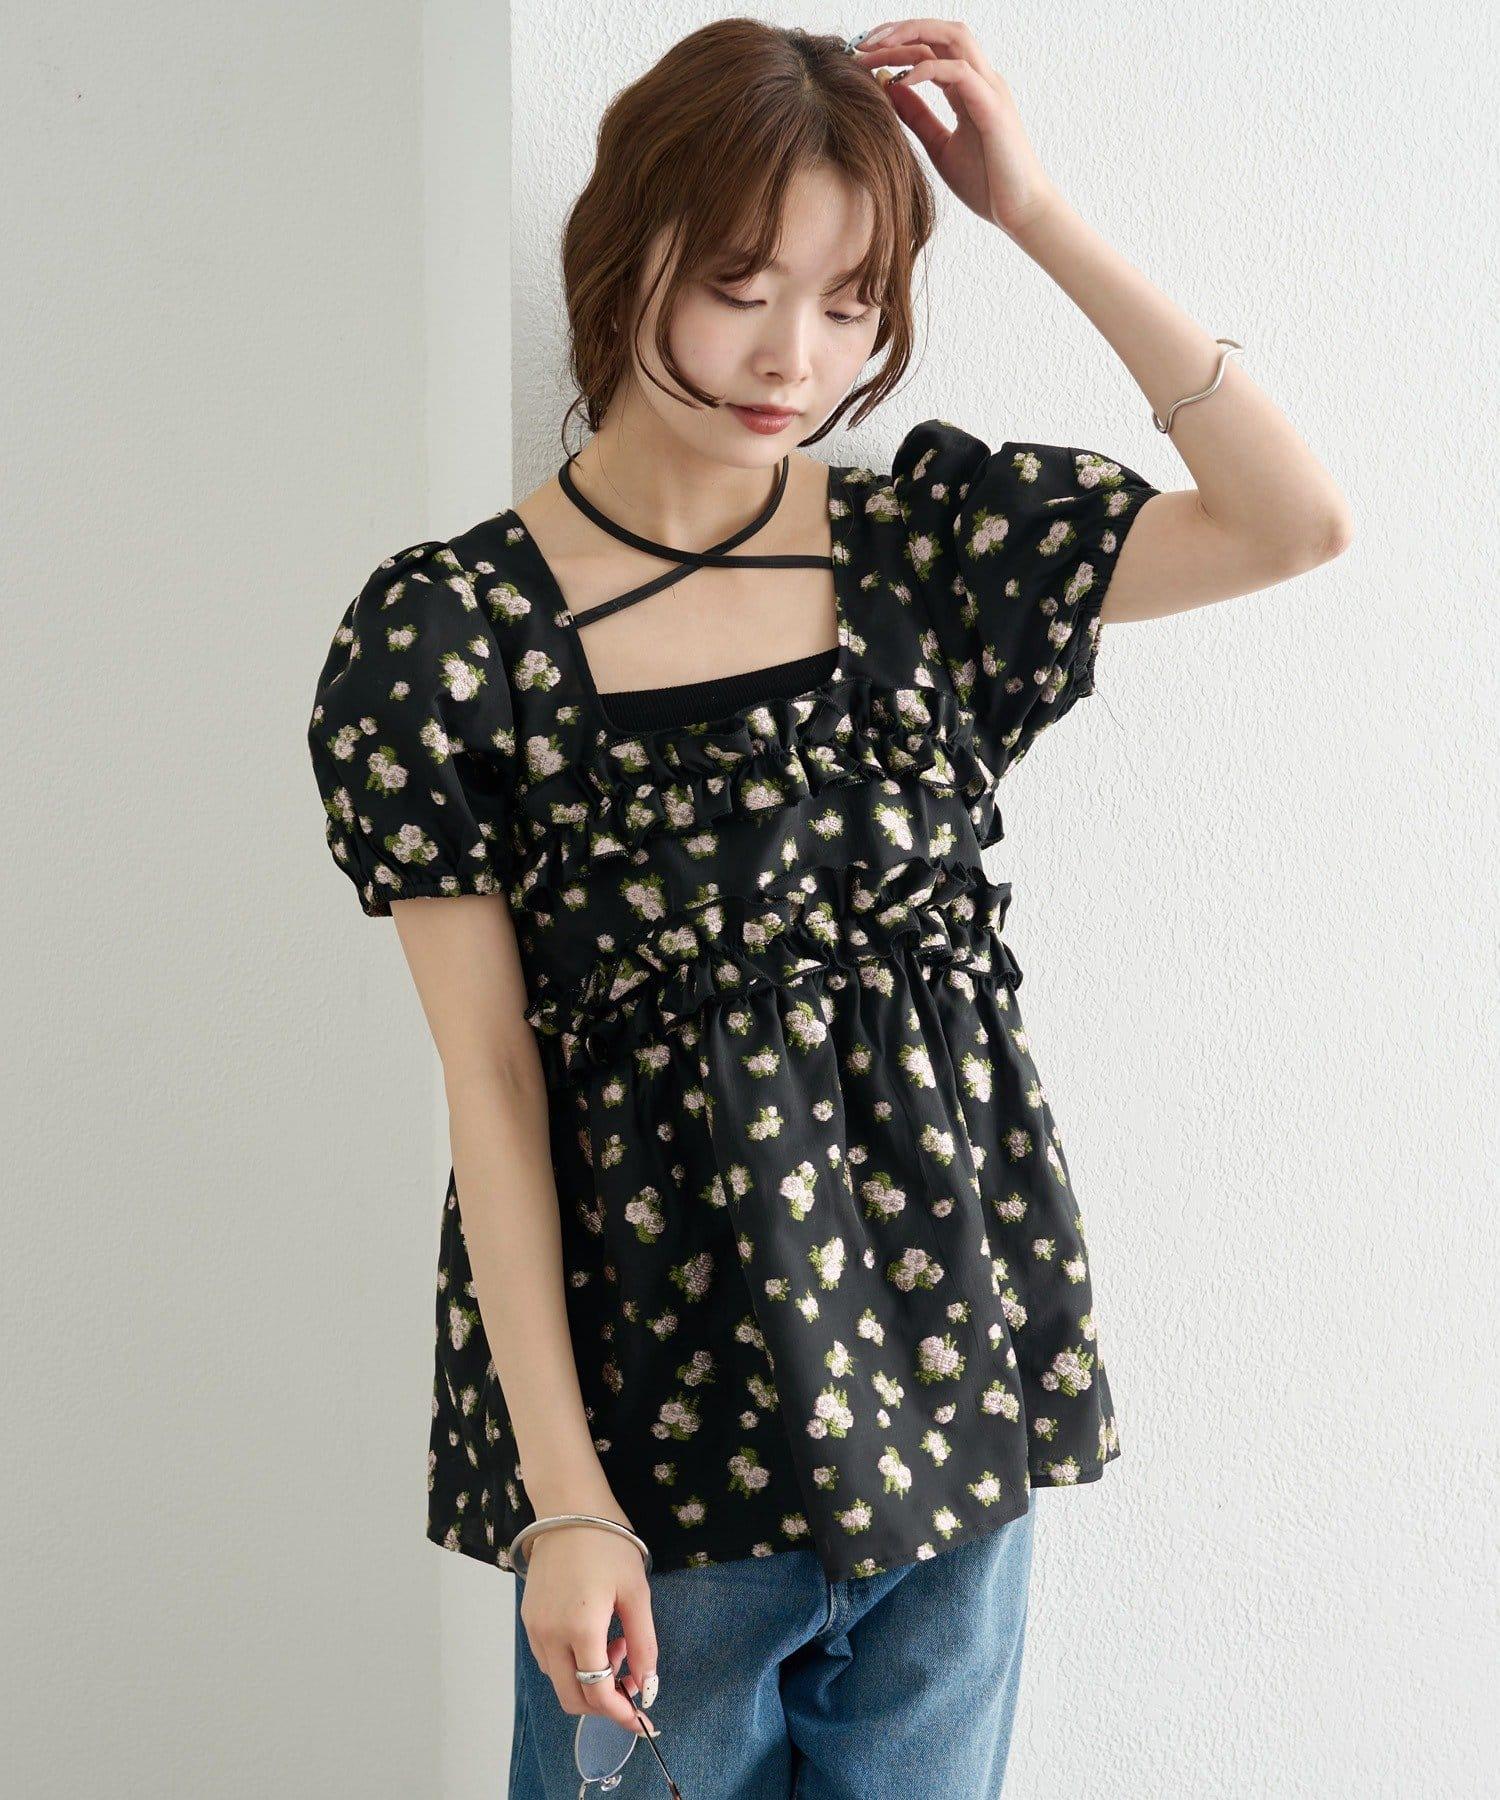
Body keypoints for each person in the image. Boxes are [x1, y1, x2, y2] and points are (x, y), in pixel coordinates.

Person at [305, 19, 1352, 1798]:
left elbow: (1292, 521)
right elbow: (491, 1087)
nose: (796, 354)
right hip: (663, 1475)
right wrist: (566, 1501)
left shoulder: (926, 553)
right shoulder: (451, 637)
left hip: (953, 1426)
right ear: (619, 253)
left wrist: (1034, 213)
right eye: (740, 287)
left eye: (853, 302)